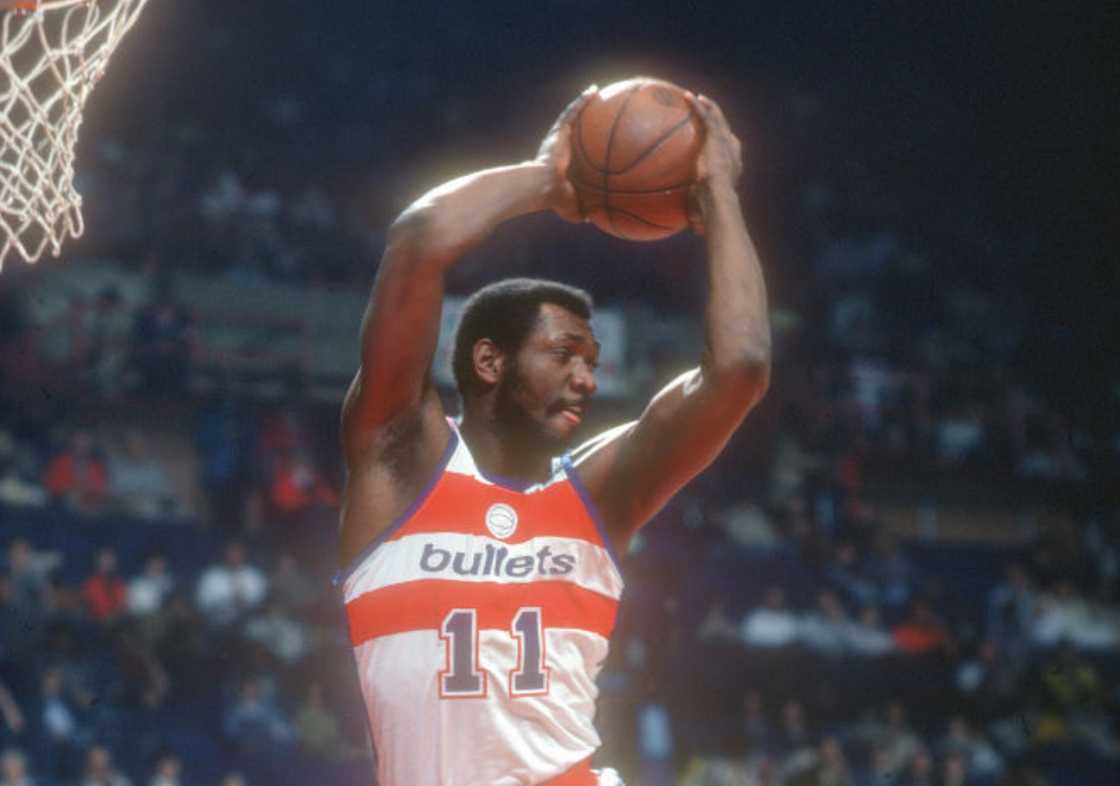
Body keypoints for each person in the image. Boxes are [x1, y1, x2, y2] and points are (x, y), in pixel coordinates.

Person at [337, 85, 770, 786]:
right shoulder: (399, 462)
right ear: (488, 361)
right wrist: (549, 180)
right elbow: (419, 239)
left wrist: (718, 195)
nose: (586, 380)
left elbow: (741, 369)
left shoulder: (599, 495)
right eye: (564, 354)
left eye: (592, 364)